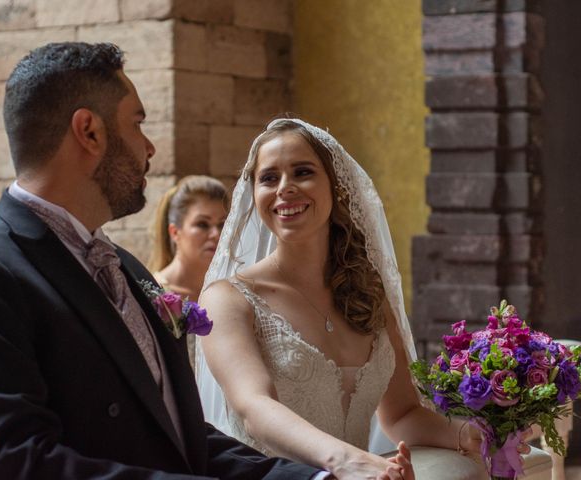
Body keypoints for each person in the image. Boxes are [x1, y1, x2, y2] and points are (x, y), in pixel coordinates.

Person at [0, 43, 323, 479]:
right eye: (138, 124)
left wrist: (317, 477)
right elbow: (13, 463)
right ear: (89, 131)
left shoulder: (126, 267)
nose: (149, 148)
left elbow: (179, 437)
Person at [195, 118, 512, 479]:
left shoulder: (367, 290)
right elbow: (254, 407)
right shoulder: (228, 300)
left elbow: (402, 415)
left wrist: (469, 434)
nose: (285, 188)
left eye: (302, 172)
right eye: (269, 178)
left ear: (337, 187)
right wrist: (348, 462)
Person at [148, 175, 229, 366]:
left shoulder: (231, 290)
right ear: (175, 232)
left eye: (222, 224)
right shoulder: (152, 292)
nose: (215, 234)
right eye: (202, 224)